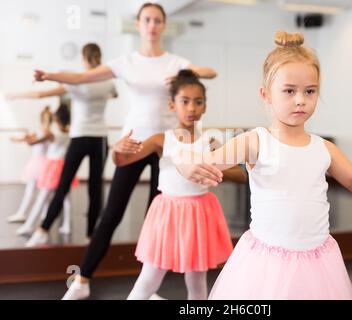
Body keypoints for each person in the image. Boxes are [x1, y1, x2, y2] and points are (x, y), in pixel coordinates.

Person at [175, 31, 352, 300]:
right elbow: (200, 163)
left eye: (310, 91)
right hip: (265, 264)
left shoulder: (325, 149)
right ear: (266, 94)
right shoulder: (255, 141)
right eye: (289, 91)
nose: (300, 100)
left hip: (318, 263)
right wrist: (184, 163)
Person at [37, 3, 218, 300]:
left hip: (169, 147)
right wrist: (52, 76)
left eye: (158, 20)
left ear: (163, 25)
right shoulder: (127, 61)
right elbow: (84, 77)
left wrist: (188, 72)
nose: (152, 25)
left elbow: (209, 72)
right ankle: (82, 280)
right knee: (111, 214)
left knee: (155, 218)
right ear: (138, 24)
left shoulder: (175, 61)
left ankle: (148, 286)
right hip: (134, 143)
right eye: (147, 19)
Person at [113, 70, 246, 300]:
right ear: (172, 105)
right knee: (149, 278)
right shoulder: (161, 140)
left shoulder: (210, 141)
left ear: (205, 106)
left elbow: (241, 175)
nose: (192, 108)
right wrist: (117, 149)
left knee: (196, 281)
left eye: (198, 102)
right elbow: (122, 161)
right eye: (185, 101)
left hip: (199, 212)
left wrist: (213, 166)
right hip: (168, 213)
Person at [9, 43, 117, 243]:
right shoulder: (107, 80)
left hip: (79, 137)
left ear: (84, 59)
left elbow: (41, 94)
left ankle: (43, 230)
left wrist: (16, 95)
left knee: (63, 184)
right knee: (95, 188)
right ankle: (90, 235)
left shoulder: (76, 80)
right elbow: (115, 94)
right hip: (100, 138)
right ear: (99, 57)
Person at [22, 104, 79, 246]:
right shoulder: (69, 132)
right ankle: (66, 225)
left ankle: (29, 225)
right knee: (66, 199)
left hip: (53, 167)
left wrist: (28, 139)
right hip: (64, 166)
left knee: (42, 197)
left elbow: (34, 142)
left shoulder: (53, 134)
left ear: (57, 119)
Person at [7, 106, 52, 223]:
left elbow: (30, 140)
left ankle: (22, 213)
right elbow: (29, 139)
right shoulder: (48, 132)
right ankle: (44, 214)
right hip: (45, 164)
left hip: (38, 164)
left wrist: (19, 140)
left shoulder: (44, 132)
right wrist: (20, 139)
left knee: (32, 190)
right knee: (44, 191)